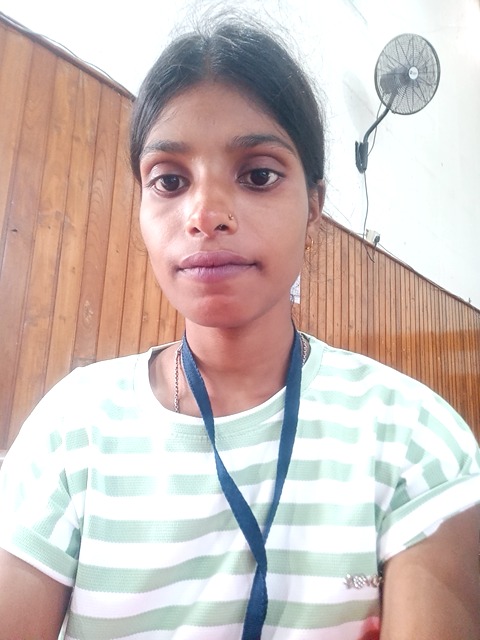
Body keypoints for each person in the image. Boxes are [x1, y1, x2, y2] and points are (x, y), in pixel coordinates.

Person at [0, 13, 479, 640]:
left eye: (258, 175)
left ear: (313, 205)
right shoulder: (72, 431)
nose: (205, 214)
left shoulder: (414, 439)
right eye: (170, 181)